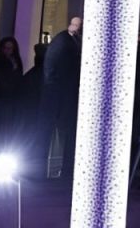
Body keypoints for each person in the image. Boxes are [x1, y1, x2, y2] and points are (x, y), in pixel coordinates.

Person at [38, 15, 82, 180]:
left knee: (58, 130)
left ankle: (58, 170)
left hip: (63, 90)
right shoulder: (63, 40)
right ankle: (46, 170)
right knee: (53, 129)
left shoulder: (69, 40)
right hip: (60, 90)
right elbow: (51, 63)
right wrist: (52, 84)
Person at [0, 36, 25, 153]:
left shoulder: (16, 61)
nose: (7, 51)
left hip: (11, 102)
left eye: (10, 49)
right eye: (5, 48)